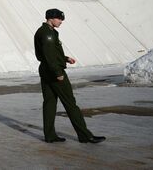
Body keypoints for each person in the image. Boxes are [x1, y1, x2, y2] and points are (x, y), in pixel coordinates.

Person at [34, 8, 106, 144]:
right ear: (50, 18)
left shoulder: (45, 32)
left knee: (49, 104)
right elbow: (50, 56)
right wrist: (58, 73)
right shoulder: (48, 34)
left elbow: (49, 53)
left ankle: (50, 135)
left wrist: (65, 58)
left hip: (45, 70)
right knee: (70, 103)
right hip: (54, 72)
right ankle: (85, 135)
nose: (61, 21)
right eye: (59, 19)